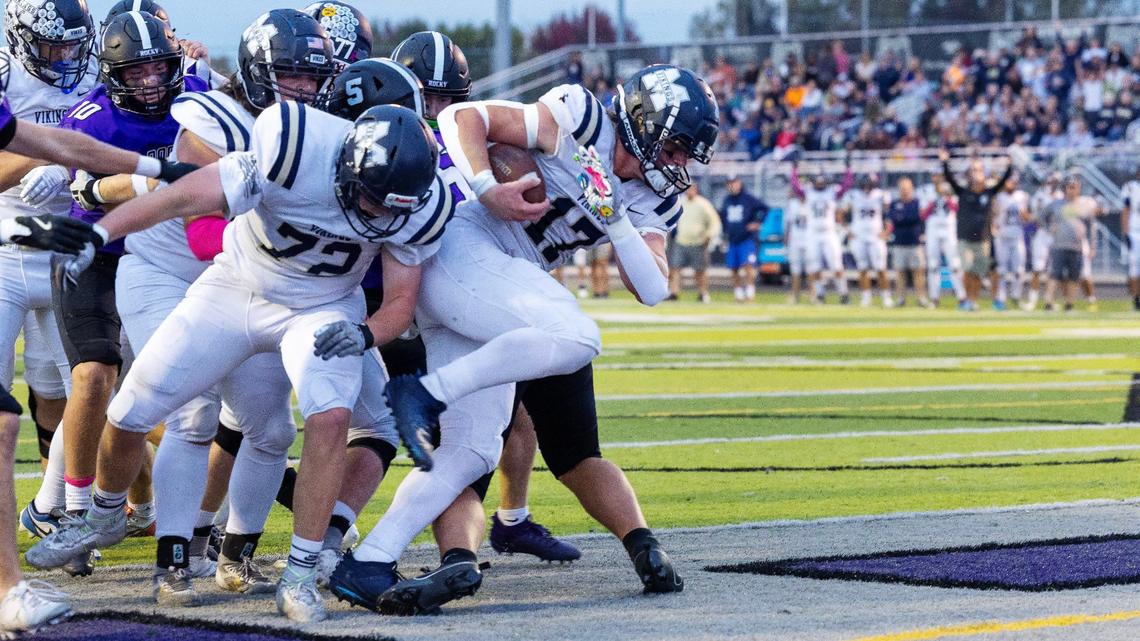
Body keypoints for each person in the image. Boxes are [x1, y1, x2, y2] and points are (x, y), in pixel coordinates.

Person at [26, 103, 445, 625]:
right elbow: (182, 196)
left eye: (389, 206)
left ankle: (298, 573)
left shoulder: (421, 205)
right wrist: (100, 232)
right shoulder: (292, 146)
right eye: (368, 196)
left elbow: (400, 304)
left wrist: (365, 334)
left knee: (331, 415)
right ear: (346, 163)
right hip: (235, 288)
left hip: (322, 307)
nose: (376, 214)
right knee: (131, 409)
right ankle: (105, 514)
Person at [329, 64, 716, 615]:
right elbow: (465, 116)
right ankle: (426, 392)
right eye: (676, 146)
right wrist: (487, 188)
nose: (680, 163)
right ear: (642, 122)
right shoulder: (582, 118)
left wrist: (613, 216)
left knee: (471, 449)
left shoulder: (653, 201)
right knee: (577, 335)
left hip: (494, 286)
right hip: (465, 244)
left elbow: (652, 288)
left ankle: (369, 561)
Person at [391, 30, 579, 566]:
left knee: (514, 420)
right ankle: (343, 538)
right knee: (392, 434)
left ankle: (509, 521)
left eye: (448, 98)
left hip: (469, 298)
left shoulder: (476, 146)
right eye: (428, 97)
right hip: (407, 301)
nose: (437, 109)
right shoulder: (393, 141)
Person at [938, 148, 1013, 311]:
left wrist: (1009, 166)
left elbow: (1003, 181)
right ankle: (967, 300)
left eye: (979, 171)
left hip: (983, 239)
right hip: (965, 237)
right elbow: (950, 179)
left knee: (978, 272)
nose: (977, 174)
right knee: (967, 270)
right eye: (974, 171)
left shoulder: (989, 192)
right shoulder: (963, 192)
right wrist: (944, 161)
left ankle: (974, 300)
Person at [791, 161, 853, 304]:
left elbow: (846, 186)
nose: (819, 184)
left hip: (828, 233)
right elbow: (796, 187)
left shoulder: (832, 192)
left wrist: (848, 170)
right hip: (812, 233)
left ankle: (843, 293)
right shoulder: (809, 192)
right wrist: (794, 170)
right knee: (815, 266)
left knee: (836, 266)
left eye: (822, 181)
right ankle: (820, 294)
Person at [1041, 174, 1101, 311]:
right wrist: (1049, 229)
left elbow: (1091, 227)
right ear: (1065, 188)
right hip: (1059, 245)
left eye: (1075, 187)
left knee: (1074, 277)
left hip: (1077, 246)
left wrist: (1092, 246)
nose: (1072, 190)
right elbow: (1041, 217)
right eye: (1070, 187)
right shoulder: (1056, 204)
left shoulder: (1084, 206)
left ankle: (1069, 304)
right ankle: (1049, 303)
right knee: (1054, 275)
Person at [842, 173, 892, 308]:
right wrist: (847, 230)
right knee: (862, 268)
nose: (866, 188)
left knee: (881, 268)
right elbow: (841, 213)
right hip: (859, 236)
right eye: (864, 185)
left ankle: (886, 297)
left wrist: (887, 230)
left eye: (869, 185)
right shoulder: (853, 195)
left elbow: (888, 213)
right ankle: (866, 297)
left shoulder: (881, 195)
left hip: (876, 236)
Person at [668, 183, 721, 303]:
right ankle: (674, 293)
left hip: (698, 241)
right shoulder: (681, 202)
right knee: (675, 268)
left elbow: (714, 222)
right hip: (681, 240)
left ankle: (703, 293)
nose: (689, 191)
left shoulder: (703, 204)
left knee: (699, 270)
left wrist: (709, 235)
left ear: (696, 190)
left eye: (691, 189)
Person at [719, 176, 766, 302]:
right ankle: (738, 294)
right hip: (732, 239)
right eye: (729, 183)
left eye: (733, 183)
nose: (731, 186)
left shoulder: (748, 198)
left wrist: (757, 222)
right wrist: (724, 234)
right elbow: (723, 218)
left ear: (739, 183)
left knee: (748, 266)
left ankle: (750, 293)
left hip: (746, 238)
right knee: (733, 268)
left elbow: (764, 208)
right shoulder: (727, 200)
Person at [885, 177, 928, 308]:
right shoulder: (894, 203)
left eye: (907, 188)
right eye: (902, 188)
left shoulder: (916, 202)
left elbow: (915, 218)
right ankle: (900, 298)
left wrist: (902, 218)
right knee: (900, 272)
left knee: (918, 272)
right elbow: (894, 219)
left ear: (911, 189)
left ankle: (921, 298)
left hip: (914, 242)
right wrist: (905, 218)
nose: (904, 191)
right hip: (899, 242)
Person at [991, 172, 1030, 311]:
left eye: (1013, 182)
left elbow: (1026, 217)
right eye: (1009, 182)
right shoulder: (999, 197)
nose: (1011, 185)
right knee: (1001, 270)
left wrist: (1022, 211)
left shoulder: (1022, 196)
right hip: (1002, 237)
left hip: (1017, 236)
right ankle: (1000, 299)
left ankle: (1016, 296)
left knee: (1019, 270)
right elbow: (993, 215)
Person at [1025, 172, 1061, 311]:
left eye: (1056, 182)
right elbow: (1036, 216)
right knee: (1037, 268)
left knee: (1054, 271)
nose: (1054, 184)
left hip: (1057, 235)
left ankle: (1050, 300)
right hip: (1043, 233)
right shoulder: (1040, 196)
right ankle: (1032, 301)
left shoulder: (1061, 196)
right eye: (1052, 181)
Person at [783, 195, 810, 304]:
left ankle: (814, 294)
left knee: (812, 269)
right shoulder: (792, 204)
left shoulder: (812, 201)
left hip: (809, 239)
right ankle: (795, 294)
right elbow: (788, 223)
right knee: (795, 270)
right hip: (795, 239)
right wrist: (786, 237)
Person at [1122, 169, 1140, 311]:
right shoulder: (1131, 187)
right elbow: (1126, 210)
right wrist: (1125, 232)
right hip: (1135, 232)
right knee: (1134, 268)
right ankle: (1136, 299)